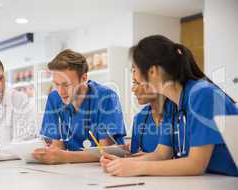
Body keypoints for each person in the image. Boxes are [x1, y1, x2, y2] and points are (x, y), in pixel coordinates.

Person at [100, 35, 238, 177]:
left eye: (135, 69)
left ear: (153, 71)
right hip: (211, 181)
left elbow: (196, 164)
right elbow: (161, 154)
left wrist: (136, 168)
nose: (134, 76)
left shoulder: (202, 94)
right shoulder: (172, 103)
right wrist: (122, 163)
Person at [33, 49, 126, 164]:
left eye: (66, 85)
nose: (61, 91)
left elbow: (107, 152)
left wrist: (65, 157)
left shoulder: (106, 97)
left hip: (103, 169)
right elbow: (56, 146)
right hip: (71, 170)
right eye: (56, 84)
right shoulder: (54, 98)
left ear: (83, 78)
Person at [129, 68, 175, 155]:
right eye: (134, 83)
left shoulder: (176, 112)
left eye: (138, 83)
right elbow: (134, 157)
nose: (133, 90)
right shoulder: (139, 119)